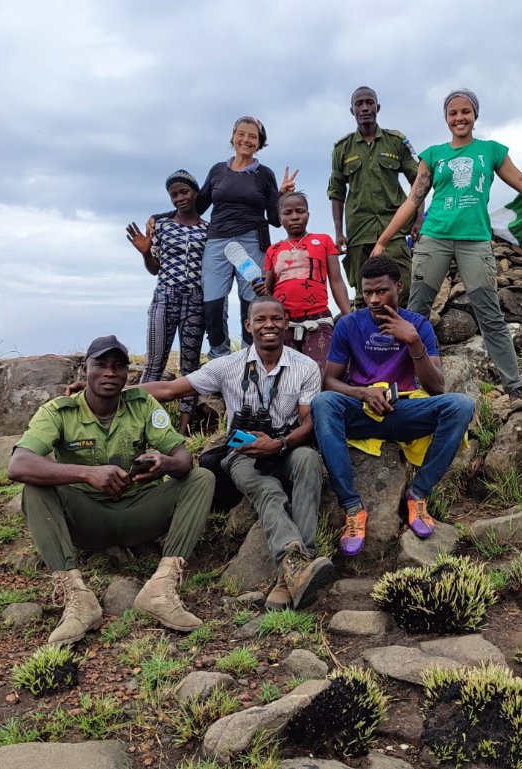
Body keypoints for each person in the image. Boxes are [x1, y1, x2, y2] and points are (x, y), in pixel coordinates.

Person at [371, 88, 522, 398]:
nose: (459, 118)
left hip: (475, 240)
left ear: (475, 115)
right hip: (435, 238)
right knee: (416, 311)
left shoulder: (491, 151)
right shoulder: (433, 155)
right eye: (453, 113)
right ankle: (400, 382)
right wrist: (383, 240)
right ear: (446, 118)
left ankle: (514, 390)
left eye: (465, 112)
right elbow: (412, 200)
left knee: (490, 315)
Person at [8, 335, 215, 645]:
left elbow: (184, 459)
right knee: (35, 489)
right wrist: (88, 474)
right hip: (87, 519)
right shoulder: (58, 411)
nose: (109, 373)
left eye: (118, 367)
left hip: (139, 512)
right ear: (84, 370)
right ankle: (79, 600)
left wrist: (165, 462)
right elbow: (18, 465)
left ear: (126, 374)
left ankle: (161, 588)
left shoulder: (142, 404)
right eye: (100, 365)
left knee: (202, 478)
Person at [140, 296, 334, 611]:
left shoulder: (305, 366)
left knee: (309, 461)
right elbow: (168, 390)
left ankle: (295, 571)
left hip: (287, 446)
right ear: (248, 325)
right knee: (266, 489)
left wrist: (280, 443)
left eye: (275, 319)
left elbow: (308, 421)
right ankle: (296, 566)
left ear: (285, 323)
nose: (268, 325)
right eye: (260, 319)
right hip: (241, 451)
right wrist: (105, 392)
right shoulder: (227, 366)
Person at [311, 257, 475, 556]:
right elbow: (330, 381)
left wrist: (413, 343)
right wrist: (362, 393)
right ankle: (352, 508)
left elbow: (436, 387)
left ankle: (418, 495)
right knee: (323, 403)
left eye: (382, 291)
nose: (374, 299)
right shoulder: (348, 324)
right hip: (363, 411)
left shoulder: (418, 325)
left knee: (460, 405)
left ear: (398, 287)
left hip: (404, 409)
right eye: (368, 292)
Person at [194, 116, 297, 353]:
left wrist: (281, 195)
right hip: (218, 241)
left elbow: (274, 219)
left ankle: (252, 356)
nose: (246, 140)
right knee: (213, 303)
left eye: (252, 136)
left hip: (251, 240)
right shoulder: (218, 170)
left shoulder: (264, 174)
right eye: (241, 133)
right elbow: (197, 207)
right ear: (233, 137)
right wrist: (161, 218)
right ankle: (219, 357)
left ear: (260, 143)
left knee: (253, 301)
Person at [126, 170, 208, 435]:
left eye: (184, 192)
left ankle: (184, 430)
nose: (179, 198)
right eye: (174, 194)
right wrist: (145, 252)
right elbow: (154, 268)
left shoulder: (207, 230)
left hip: (195, 299)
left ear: (195, 192)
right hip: (165, 295)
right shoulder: (161, 226)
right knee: (154, 363)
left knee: (190, 366)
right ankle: (141, 425)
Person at [328, 86, 422, 307]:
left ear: (377, 107)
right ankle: (367, 340)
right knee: (364, 294)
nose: (365, 108)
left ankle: (402, 336)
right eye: (359, 104)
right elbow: (336, 191)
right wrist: (339, 232)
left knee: (403, 285)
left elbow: (419, 181)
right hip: (359, 231)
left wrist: (418, 219)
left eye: (369, 102)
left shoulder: (395, 141)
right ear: (352, 111)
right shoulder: (342, 149)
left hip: (394, 227)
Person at [254, 191, 351, 375]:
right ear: (280, 218)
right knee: (285, 375)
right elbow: (268, 292)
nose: (295, 217)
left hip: (318, 320)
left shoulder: (323, 241)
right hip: (284, 324)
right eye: (288, 213)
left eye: (300, 211)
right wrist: (260, 290)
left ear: (308, 214)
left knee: (321, 373)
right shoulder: (273, 250)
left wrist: (348, 316)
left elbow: (336, 281)